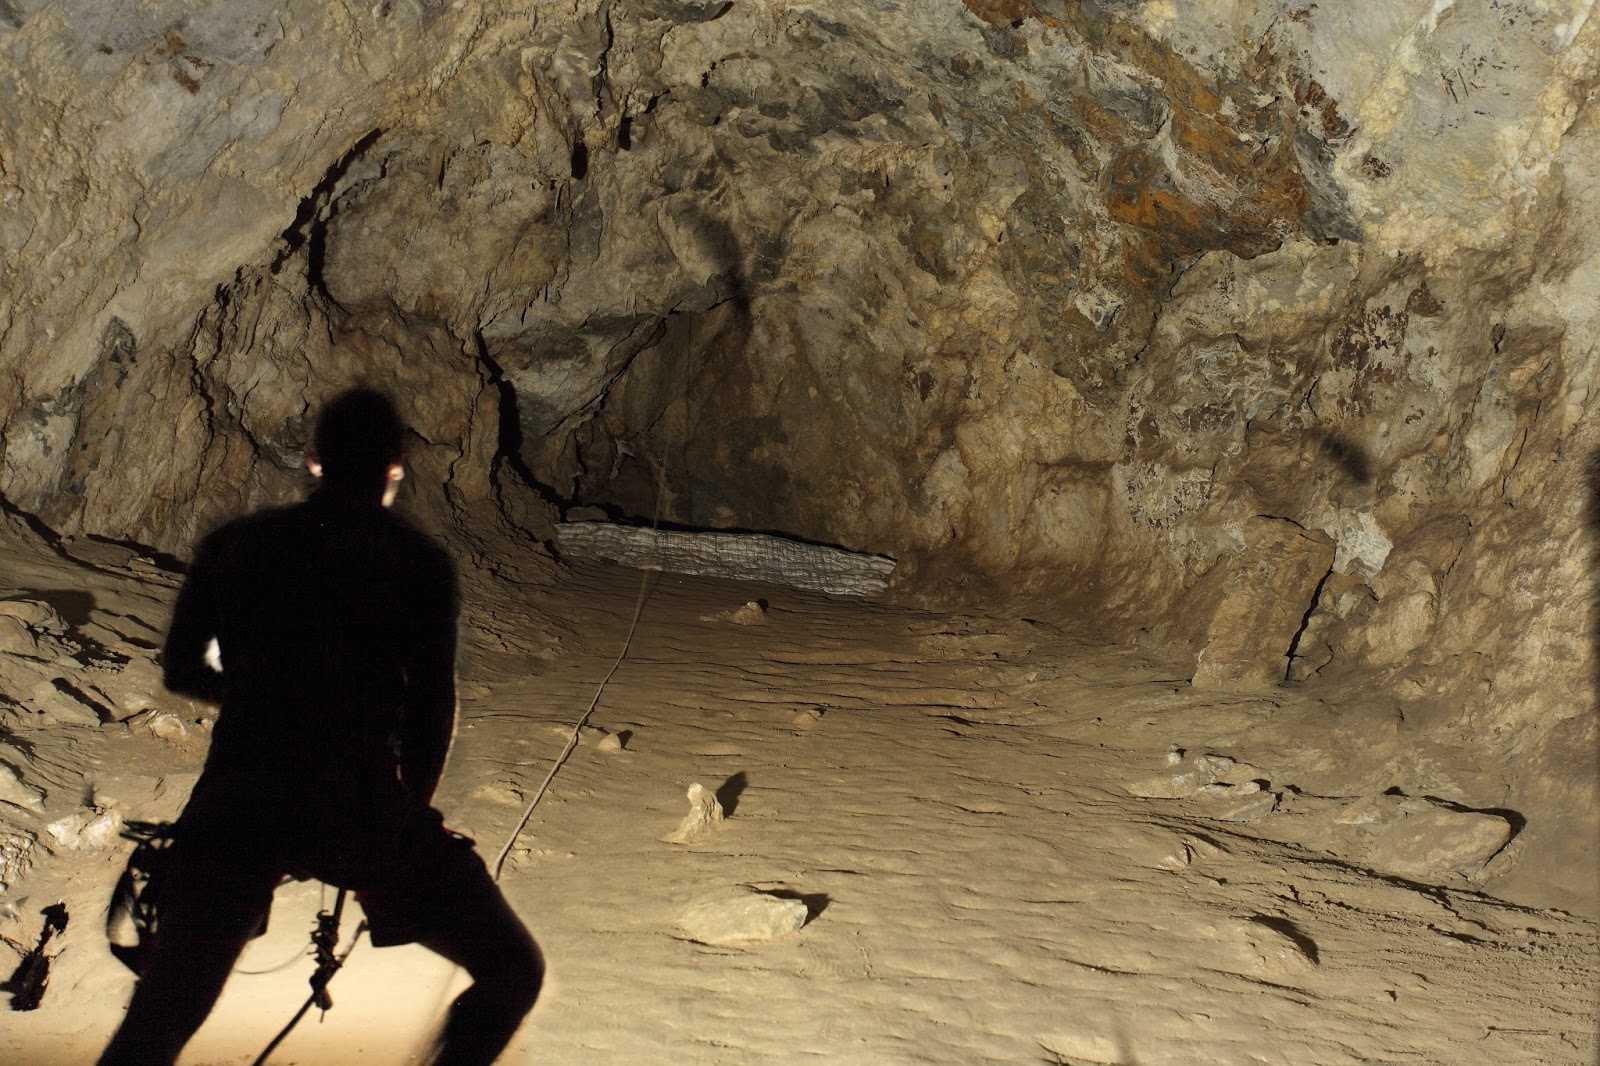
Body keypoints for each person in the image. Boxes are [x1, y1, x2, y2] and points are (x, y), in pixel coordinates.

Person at [99, 388, 542, 1066]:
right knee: (512, 970)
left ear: (314, 462)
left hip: (242, 797)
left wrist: (256, 698)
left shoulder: (234, 545)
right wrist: (406, 813)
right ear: (394, 468)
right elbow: (430, 708)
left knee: (163, 1014)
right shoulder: (417, 562)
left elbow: (182, 670)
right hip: (355, 804)